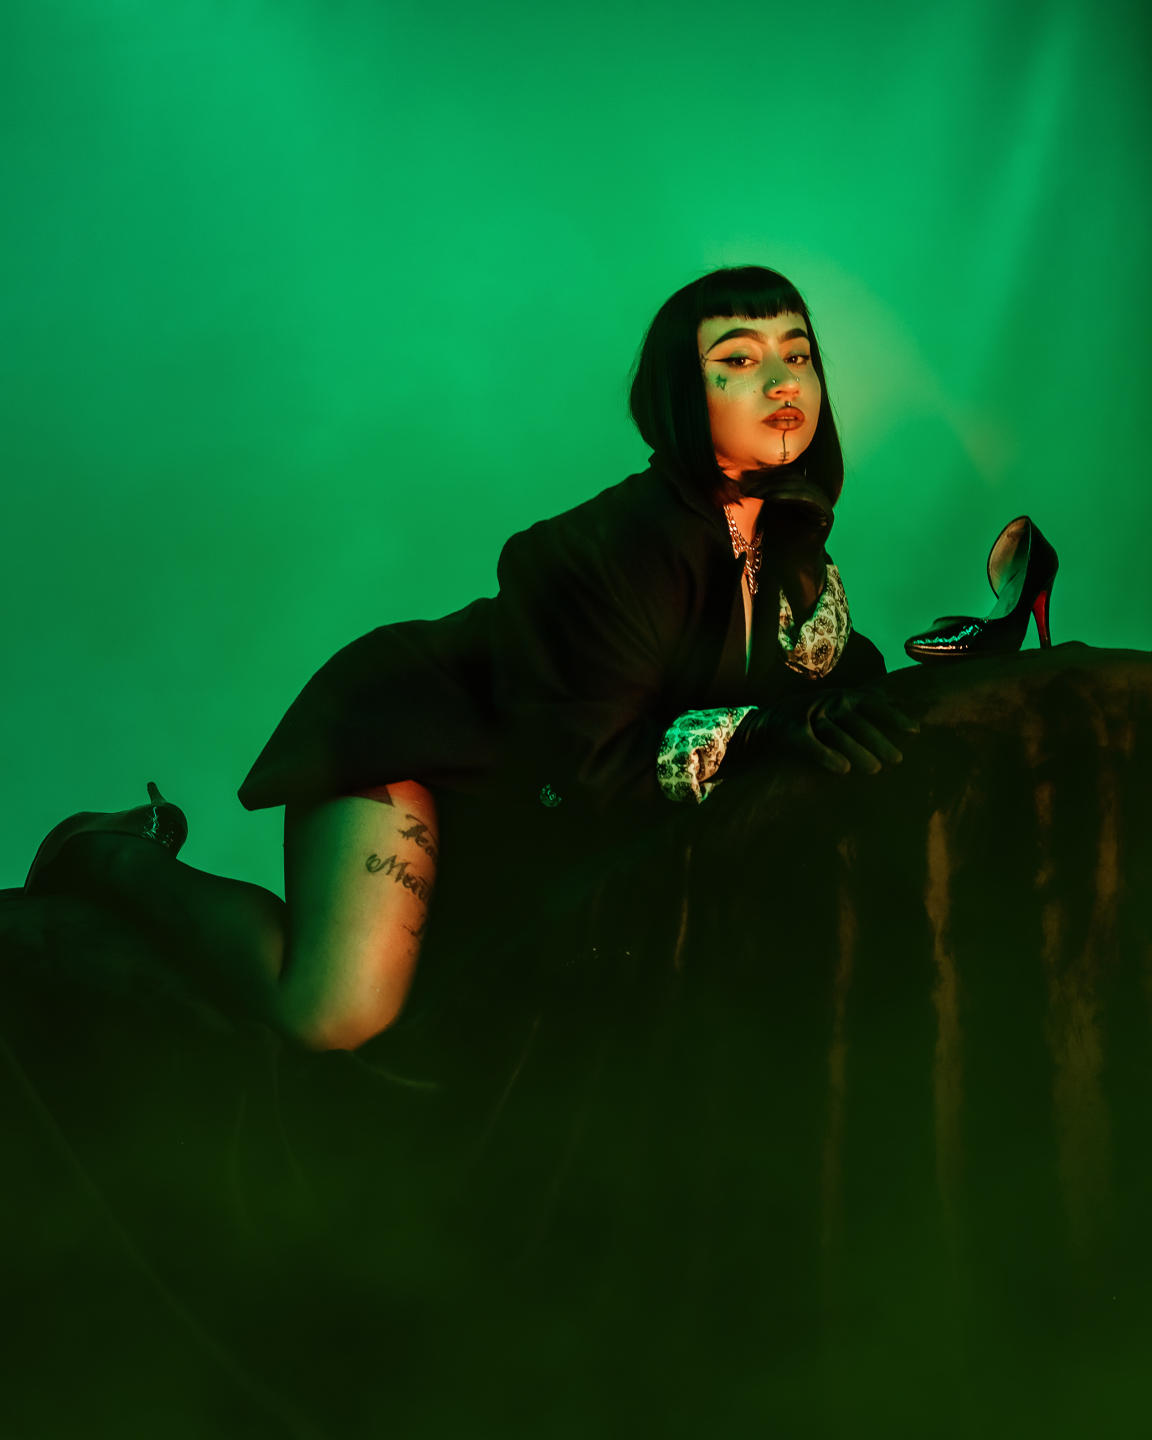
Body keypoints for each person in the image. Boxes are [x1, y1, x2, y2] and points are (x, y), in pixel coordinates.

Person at [24, 265, 918, 1052]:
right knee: (332, 1013)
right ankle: (110, 852)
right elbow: (597, 765)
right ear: (684, 392)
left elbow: (830, 678)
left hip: (514, 795)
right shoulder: (613, 546)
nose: (781, 379)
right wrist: (762, 733)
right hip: (415, 737)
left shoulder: (786, 542)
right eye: (738, 359)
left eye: (798, 353)